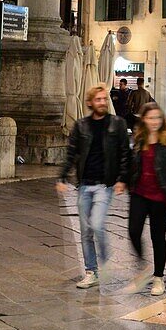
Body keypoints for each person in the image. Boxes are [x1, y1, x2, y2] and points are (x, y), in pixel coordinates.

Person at [57, 85, 131, 289]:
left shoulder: (117, 124)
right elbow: (71, 153)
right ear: (90, 102)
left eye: (104, 99)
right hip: (84, 185)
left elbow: (126, 153)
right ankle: (91, 272)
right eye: (98, 99)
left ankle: (105, 260)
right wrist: (62, 177)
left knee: (96, 224)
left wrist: (122, 178)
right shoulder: (81, 125)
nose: (102, 102)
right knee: (85, 231)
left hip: (104, 185)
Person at [127, 102, 166, 296]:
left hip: (161, 196)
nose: (155, 122)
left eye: (158, 118)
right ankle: (142, 267)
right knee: (133, 231)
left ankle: (158, 278)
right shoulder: (139, 139)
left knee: (157, 237)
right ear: (144, 119)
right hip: (139, 194)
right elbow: (132, 165)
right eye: (151, 118)